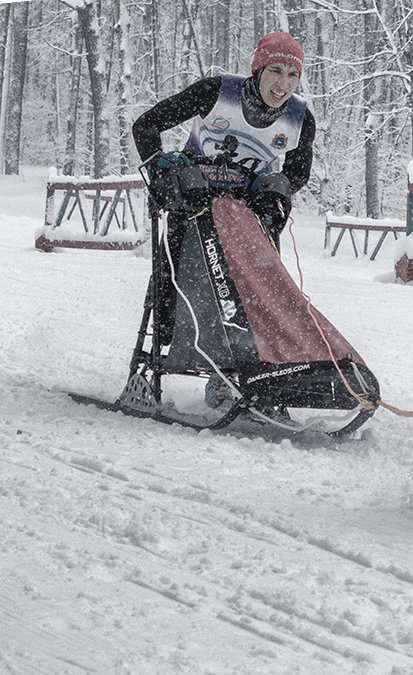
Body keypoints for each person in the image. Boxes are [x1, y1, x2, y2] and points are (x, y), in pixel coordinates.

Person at [132, 32, 315, 411]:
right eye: (275, 71)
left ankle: (242, 373)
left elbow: (298, 172)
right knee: (194, 281)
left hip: (248, 216)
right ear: (258, 69)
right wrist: (162, 168)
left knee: (258, 290)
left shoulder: (299, 118)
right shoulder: (217, 92)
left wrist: (281, 185)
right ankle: (191, 355)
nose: (282, 84)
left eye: (292, 76)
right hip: (193, 203)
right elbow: (146, 126)